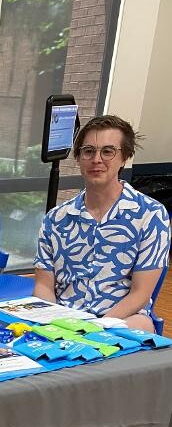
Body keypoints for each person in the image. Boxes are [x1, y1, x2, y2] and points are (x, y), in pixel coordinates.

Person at [34, 114, 170, 332]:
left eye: (108, 151)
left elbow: (141, 294)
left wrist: (95, 328)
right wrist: (51, 321)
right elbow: (43, 285)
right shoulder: (55, 219)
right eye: (88, 151)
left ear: (124, 157)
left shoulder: (151, 215)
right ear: (79, 157)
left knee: (140, 326)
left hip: (121, 320)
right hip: (63, 320)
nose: (97, 159)